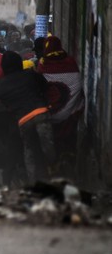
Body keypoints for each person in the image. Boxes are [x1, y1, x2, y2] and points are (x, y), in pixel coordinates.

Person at [0, 51, 55, 184]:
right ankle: (55, 168)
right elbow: (45, 87)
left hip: (24, 121)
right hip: (41, 113)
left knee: (28, 149)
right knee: (49, 146)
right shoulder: (31, 74)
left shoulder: (2, 84)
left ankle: (31, 182)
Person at [36, 36, 84, 176]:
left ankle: (53, 169)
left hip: (50, 114)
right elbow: (76, 84)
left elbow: (41, 87)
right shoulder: (71, 62)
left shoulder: (43, 64)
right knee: (70, 142)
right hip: (71, 113)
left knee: (50, 143)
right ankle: (71, 168)